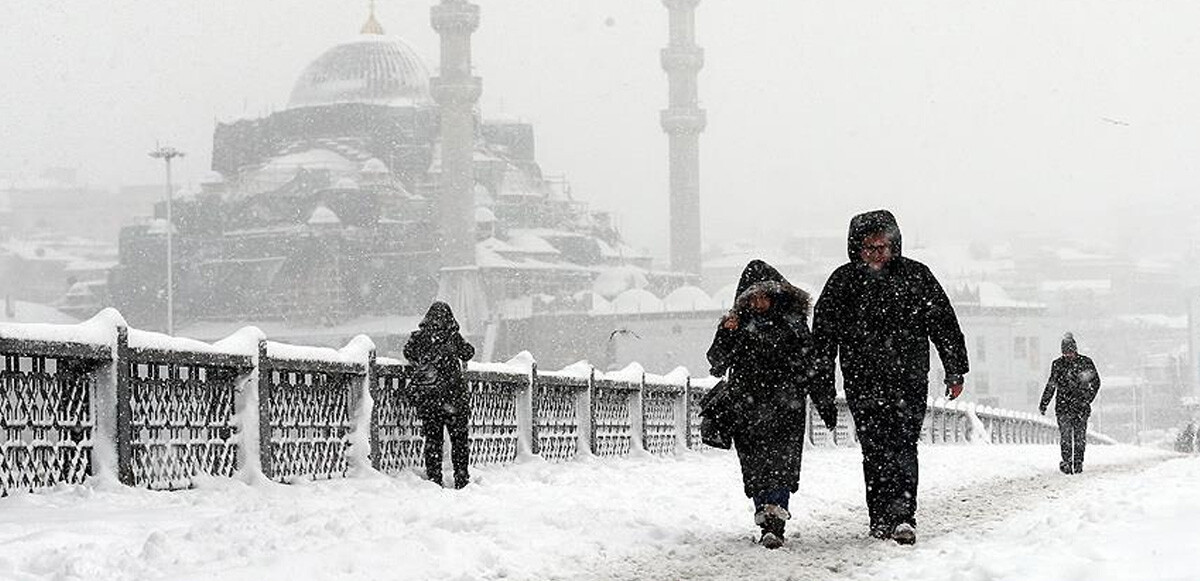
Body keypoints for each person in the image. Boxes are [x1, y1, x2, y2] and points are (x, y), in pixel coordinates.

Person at [812, 209, 969, 545]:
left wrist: (955, 368)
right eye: (870, 248)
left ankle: (902, 516)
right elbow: (822, 340)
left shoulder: (916, 277)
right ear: (857, 248)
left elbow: (943, 323)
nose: (877, 254)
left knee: (902, 445)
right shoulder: (842, 283)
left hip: (908, 379)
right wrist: (822, 385)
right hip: (862, 381)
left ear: (894, 246)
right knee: (874, 448)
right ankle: (880, 517)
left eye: (883, 247)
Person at [706, 260, 838, 549]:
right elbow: (716, 364)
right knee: (755, 467)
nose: (759, 302)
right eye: (753, 297)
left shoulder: (793, 324)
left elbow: (811, 366)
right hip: (747, 408)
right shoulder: (737, 325)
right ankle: (764, 514)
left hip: (785, 408)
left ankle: (774, 521)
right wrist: (726, 332)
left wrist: (825, 402)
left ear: (777, 294)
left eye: (764, 295)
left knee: (780, 464)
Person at [403, 301, 476, 489]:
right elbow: (468, 353)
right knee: (459, 441)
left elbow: (408, 352)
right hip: (454, 399)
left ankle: (434, 479)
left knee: (433, 441)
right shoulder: (452, 337)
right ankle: (461, 478)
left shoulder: (420, 337)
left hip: (430, 399)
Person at [1039, 333, 1100, 474]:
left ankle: (1078, 462)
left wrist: (1087, 399)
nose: (1068, 355)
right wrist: (1044, 403)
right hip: (1063, 407)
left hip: (1080, 407)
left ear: (1075, 350)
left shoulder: (1086, 363)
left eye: (1070, 352)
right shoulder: (1058, 365)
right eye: (1065, 353)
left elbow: (1096, 382)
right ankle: (1067, 462)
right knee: (1066, 436)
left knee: (1079, 437)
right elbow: (1051, 385)